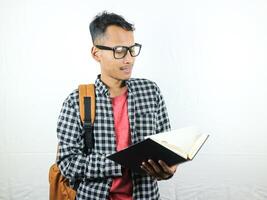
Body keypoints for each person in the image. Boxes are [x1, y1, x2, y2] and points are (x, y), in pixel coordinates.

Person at [57, 11, 177, 200]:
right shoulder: (76, 102)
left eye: (132, 49)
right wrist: (120, 163)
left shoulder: (151, 91)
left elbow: (167, 147)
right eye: (119, 51)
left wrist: (168, 168)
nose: (129, 58)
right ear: (96, 53)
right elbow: (67, 163)